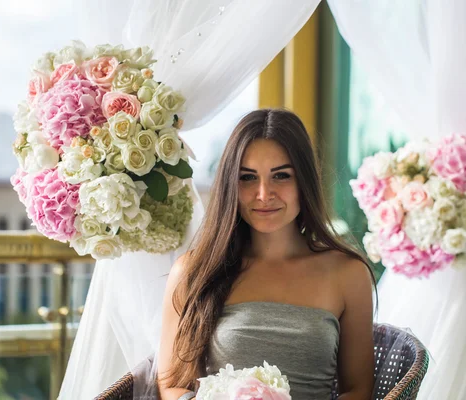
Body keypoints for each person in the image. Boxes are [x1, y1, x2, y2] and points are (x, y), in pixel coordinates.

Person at [157, 109, 376, 400]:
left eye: (281, 176)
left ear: (304, 182)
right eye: (248, 177)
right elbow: (171, 385)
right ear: (230, 186)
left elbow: (359, 390)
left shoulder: (348, 273)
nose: (263, 193)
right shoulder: (193, 271)